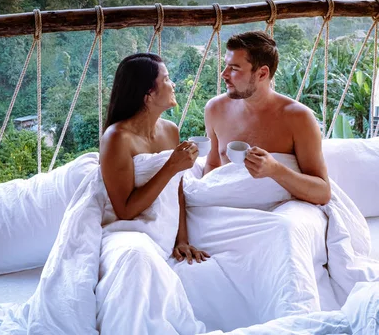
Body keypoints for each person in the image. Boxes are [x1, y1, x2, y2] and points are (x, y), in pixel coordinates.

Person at [100, 52, 210, 264]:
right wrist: (171, 166)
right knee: (138, 258)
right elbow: (125, 211)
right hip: (127, 229)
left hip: (164, 226)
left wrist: (182, 240)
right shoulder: (117, 138)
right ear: (148, 94)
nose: (173, 84)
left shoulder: (170, 130)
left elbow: (176, 192)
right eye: (167, 79)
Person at [203, 31, 331, 205]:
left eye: (234, 68)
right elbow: (212, 166)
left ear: (262, 74)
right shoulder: (215, 109)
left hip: (281, 208)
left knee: (286, 228)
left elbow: (322, 193)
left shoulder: (299, 118)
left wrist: (275, 170)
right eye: (226, 66)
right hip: (230, 208)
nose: (224, 74)